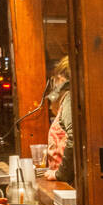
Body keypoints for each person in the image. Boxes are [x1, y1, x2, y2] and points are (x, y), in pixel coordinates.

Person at [44, 56, 74, 184]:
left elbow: (73, 138)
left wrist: (61, 174)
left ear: (60, 79)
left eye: (54, 80)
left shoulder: (70, 99)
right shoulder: (67, 101)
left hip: (68, 184)